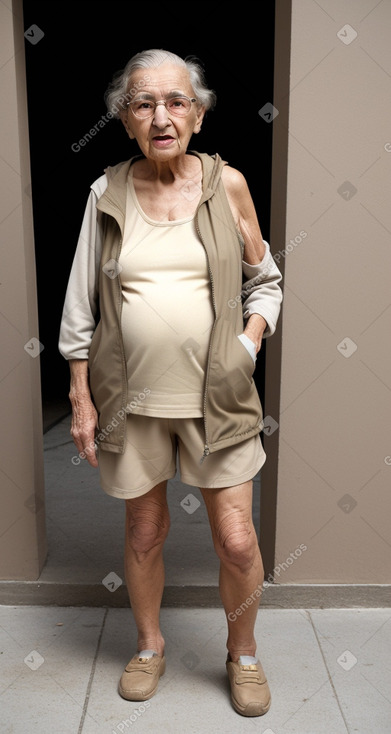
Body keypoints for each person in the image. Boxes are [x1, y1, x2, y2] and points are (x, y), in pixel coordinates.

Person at [59, 48, 283, 717]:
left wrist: (246, 346)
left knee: (237, 540)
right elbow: (80, 303)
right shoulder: (106, 192)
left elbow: (265, 282)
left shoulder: (228, 185)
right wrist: (79, 392)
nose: (161, 116)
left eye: (176, 101)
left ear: (199, 113)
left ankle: (242, 653)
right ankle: (150, 645)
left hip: (218, 400)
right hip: (131, 400)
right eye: (143, 103)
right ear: (125, 121)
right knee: (144, 534)